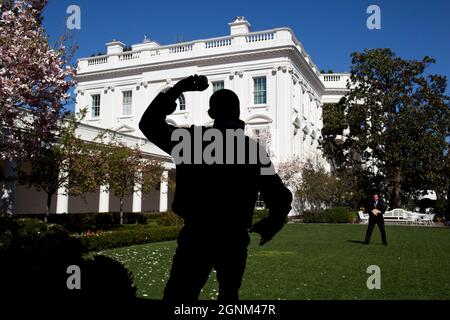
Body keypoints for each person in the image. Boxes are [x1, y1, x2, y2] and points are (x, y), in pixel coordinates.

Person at [139, 74, 292, 301]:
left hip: (197, 235)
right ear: (238, 115)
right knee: (229, 297)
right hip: (233, 237)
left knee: (179, 297)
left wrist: (177, 90)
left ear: (211, 114)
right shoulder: (252, 151)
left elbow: (148, 124)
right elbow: (279, 197)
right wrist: (273, 222)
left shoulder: (191, 141)